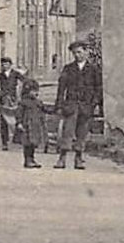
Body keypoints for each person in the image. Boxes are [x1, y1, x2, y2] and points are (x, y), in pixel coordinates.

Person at [52, 39, 101, 170]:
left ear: (86, 52)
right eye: (74, 53)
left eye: (79, 52)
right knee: (67, 131)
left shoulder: (94, 69)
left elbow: (99, 89)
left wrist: (94, 104)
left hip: (86, 106)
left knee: (82, 132)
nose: (77, 55)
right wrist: (59, 106)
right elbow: (61, 88)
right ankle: (62, 158)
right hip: (71, 105)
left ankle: (78, 158)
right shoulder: (68, 69)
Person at [0, 57, 23, 151]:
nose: (4, 66)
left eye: (6, 64)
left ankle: (18, 139)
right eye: (3, 65)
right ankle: (4, 143)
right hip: (4, 100)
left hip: (14, 100)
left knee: (17, 120)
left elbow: (25, 81)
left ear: (10, 65)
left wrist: (21, 93)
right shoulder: (0, 75)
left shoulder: (15, 74)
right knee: (4, 122)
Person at [17, 76, 48, 168]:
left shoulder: (38, 102)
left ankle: (32, 159)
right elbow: (19, 113)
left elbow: (44, 109)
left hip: (35, 126)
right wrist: (19, 123)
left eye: (36, 91)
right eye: (33, 91)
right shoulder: (23, 103)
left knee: (34, 143)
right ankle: (27, 160)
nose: (36, 93)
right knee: (27, 144)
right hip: (27, 125)